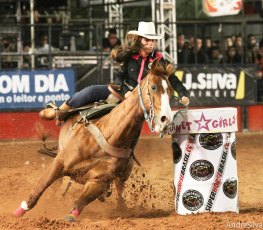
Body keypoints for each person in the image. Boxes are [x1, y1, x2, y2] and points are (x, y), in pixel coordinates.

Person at [39, 21, 190, 120]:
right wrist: (126, 91)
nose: (150, 44)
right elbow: (119, 78)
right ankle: (59, 111)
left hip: (144, 99)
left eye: (152, 40)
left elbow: (173, 80)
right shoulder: (130, 56)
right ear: (140, 40)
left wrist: (183, 94)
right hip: (125, 93)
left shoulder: (159, 59)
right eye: (147, 40)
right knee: (91, 91)